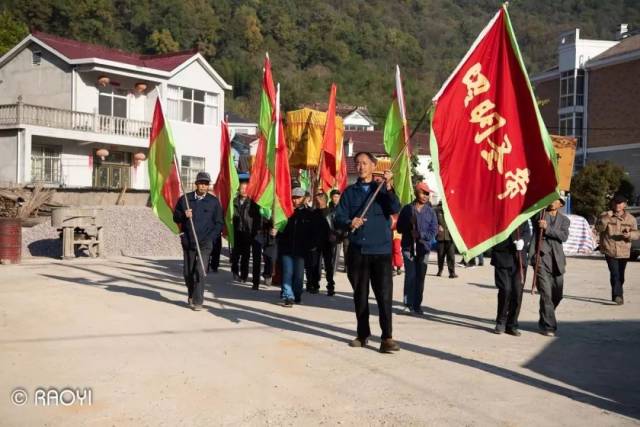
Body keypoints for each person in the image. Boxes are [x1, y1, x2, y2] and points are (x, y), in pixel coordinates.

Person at [334, 152, 401, 353]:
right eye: (358, 163)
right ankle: (362, 334)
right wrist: (349, 222)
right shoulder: (349, 192)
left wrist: (388, 186)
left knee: (384, 296)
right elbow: (338, 217)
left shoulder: (381, 189)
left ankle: (387, 337)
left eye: (365, 163)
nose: (361, 167)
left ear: (373, 166)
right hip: (358, 251)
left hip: (381, 251)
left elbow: (395, 207)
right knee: (360, 295)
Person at [173, 172, 224, 311]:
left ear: (209, 186)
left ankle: (198, 300)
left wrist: (211, 238)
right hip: (189, 240)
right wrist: (184, 215)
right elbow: (175, 217)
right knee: (188, 272)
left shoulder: (213, 202)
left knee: (200, 271)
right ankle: (190, 293)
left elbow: (219, 223)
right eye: (201, 183)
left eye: (206, 184)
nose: (203, 186)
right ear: (196, 184)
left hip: (205, 243)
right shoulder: (186, 199)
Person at [530, 197, 570, 336]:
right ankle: (549, 327)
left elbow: (563, 236)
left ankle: (544, 316)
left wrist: (547, 228)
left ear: (560, 204)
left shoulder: (565, 220)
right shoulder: (540, 215)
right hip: (542, 260)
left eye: (555, 200)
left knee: (557, 296)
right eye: (550, 199)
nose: (552, 202)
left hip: (558, 261)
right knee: (546, 294)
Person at [397, 182, 438, 315]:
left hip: (423, 249)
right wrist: (408, 226)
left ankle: (417, 304)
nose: (426, 196)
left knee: (420, 277)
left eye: (427, 194)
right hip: (409, 248)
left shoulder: (430, 212)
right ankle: (408, 303)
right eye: (423, 193)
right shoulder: (407, 209)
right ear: (416, 192)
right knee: (410, 276)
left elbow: (434, 231)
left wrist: (421, 234)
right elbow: (399, 228)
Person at [277, 187, 323, 306]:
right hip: (286, 249)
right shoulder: (286, 212)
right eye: (293, 197)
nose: (295, 200)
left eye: (298, 198)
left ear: (304, 198)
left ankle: (297, 295)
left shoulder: (309, 214)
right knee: (287, 272)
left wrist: (312, 245)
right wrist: (275, 232)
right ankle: (288, 296)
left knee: (298, 276)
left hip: (301, 251)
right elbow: (279, 228)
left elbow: (316, 231)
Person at [595, 194, 639, 305]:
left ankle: (616, 294)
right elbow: (598, 228)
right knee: (615, 273)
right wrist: (606, 218)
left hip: (624, 251)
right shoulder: (605, 215)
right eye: (615, 202)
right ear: (612, 203)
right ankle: (618, 296)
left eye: (620, 203)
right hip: (609, 249)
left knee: (621, 275)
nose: (617, 205)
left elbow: (637, 234)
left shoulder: (631, 218)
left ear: (624, 204)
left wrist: (629, 234)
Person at [491, 222, 532, 336]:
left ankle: (512, 324)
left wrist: (523, 241)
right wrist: (510, 244)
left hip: (519, 260)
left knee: (517, 293)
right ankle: (501, 322)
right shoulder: (499, 217)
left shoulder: (522, 217)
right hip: (502, 257)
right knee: (505, 290)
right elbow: (493, 239)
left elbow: (527, 232)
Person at [230, 182, 262, 289]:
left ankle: (244, 276)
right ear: (239, 190)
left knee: (246, 255)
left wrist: (256, 230)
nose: (244, 190)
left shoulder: (253, 202)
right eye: (242, 188)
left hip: (250, 232)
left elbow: (258, 218)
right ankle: (235, 270)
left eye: (246, 188)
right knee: (235, 254)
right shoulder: (234, 202)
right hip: (237, 231)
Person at [307, 191, 336, 296]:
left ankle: (330, 286)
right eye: (316, 200)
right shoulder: (313, 213)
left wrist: (334, 235)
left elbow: (336, 227)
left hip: (327, 243)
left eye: (319, 199)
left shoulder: (331, 213)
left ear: (324, 200)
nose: (317, 201)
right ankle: (314, 285)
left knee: (328, 265)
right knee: (314, 265)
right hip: (315, 242)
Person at [434, 202, 458, 278]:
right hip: (440, 236)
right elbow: (432, 221)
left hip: (450, 237)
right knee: (440, 255)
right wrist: (437, 226)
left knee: (451, 256)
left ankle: (452, 272)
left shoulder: (453, 210)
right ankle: (440, 270)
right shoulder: (437, 210)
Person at [329, 189, 349, 273]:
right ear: (331, 197)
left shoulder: (343, 205)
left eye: (337, 197)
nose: (336, 198)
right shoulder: (329, 206)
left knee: (346, 249)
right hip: (334, 231)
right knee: (334, 249)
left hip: (344, 230)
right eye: (334, 197)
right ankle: (333, 267)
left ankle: (347, 267)